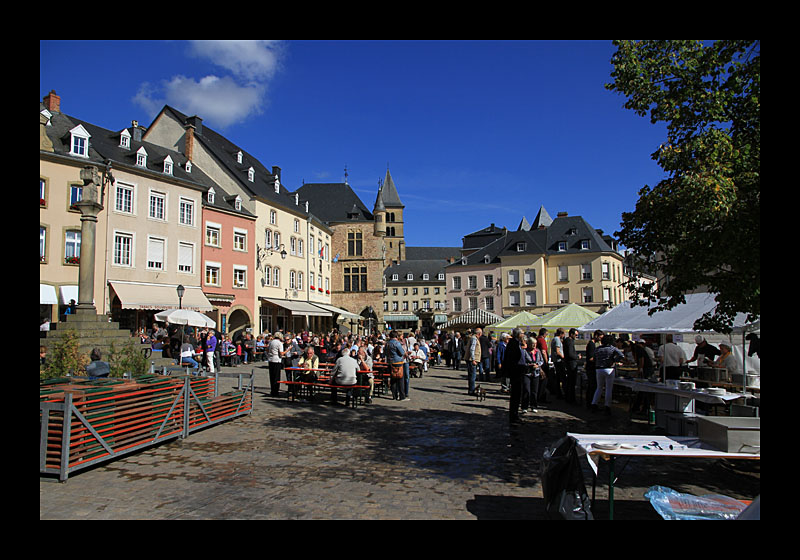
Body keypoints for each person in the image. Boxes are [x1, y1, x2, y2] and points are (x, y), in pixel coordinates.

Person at [591, 335, 626, 415]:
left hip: (599, 369)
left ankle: (594, 404)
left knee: (599, 387)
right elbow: (621, 355)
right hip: (609, 368)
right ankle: (607, 406)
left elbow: (594, 358)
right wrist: (614, 360)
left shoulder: (598, 349)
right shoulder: (612, 348)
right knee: (608, 389)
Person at [502, 328, 526, 424]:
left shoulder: (516, 343)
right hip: (515, 372)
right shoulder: (514, 344)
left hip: (516, 372)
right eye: (522, 333)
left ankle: (515, 415)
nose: (524, 335)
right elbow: (513, 359)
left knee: (516, 395)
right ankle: (514, 416)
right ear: (518, 334)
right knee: (515, 395)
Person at [386, 330, 407, 401]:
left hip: (390, 362)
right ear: (396, 336)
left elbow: (385, 352)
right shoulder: (397, 343)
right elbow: (401, 352)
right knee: (400, 379)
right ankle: (402, 396)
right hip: (398, 362)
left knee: (393, 379)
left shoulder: (387, 343)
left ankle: (394, 395)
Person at [584, 330, 603, 410]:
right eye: (600, 337)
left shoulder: (592, 344)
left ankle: (590, 402)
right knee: (592, 386)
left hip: (591, 368)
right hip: (591, 368)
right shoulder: (591, 345)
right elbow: (591, 358)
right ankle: (591, 403)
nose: (600, 339)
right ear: (596, 336)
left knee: (592, 386)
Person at [563, 328, 581, 404]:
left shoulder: (567, 341)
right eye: (576, 335)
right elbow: (570, 354)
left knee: (569, 381)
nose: (576, 336)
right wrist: (577, 357)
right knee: (572, 382)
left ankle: (568, 397)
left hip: (568, 363)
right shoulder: (569, 341)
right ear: (572, 334)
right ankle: (571, 398)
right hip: (571, 363)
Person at [267, 331, 287, 397]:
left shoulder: (271, 342)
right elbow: (281, 353)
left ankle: (272, 390)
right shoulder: (279, 343)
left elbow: (268, 350)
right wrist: (288, 350)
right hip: (277, 360)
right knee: (276, 376)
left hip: (270, 360)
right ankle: (276, 391)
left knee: (272, 376)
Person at [550, 328, 566, 398]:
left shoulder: (555, 339)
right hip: (558, 360)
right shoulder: (557, 339)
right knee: (561, 376)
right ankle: (560, 393)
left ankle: (558, 392)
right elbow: (557, 351)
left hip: (556, 360)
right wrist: (563, 357)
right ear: (561, 333)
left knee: (558, 377)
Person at [466, 328, 482, 395]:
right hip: (472, 359)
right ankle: (471, 390)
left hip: (472, 359)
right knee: (473, 375)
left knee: (471, 375)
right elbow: (472, 349)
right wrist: (473, 359)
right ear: (479, 333)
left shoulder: (473, 338)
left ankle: (471, 389)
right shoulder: (474, 338)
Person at [536, 328, 550, 403]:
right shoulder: (542, 340)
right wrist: (546, 361)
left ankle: (539, 396)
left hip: (538, 361)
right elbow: (544, 351)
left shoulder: (537, 339)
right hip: (542, 362)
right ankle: (541, 397)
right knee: (544, 379)